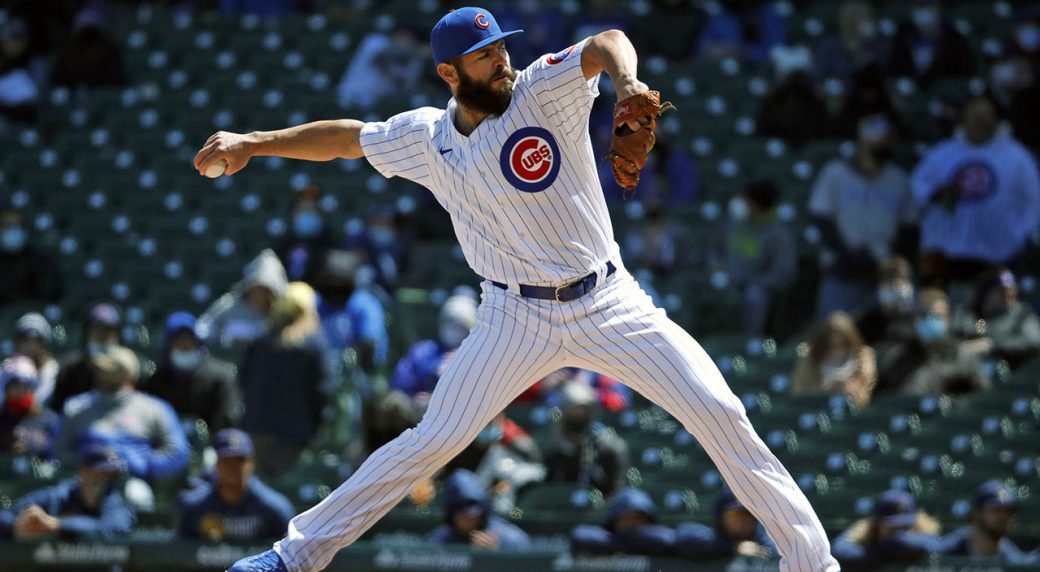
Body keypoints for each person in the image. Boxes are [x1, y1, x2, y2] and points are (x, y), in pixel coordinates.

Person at [196, 9, 839, 571]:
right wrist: (255, 143)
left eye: (503, 46)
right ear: (450, 74)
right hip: (512, 317)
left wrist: (630, 83)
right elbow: (345, 139)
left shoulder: (541, 90)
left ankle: (812, 564)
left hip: (607, 302)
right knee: (431, 441)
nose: (503, 60)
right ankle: (294, 555)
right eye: (486, 55)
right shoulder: (426, 136)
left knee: (721, 414)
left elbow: (607, 39)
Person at [911, 95, 1040, 287]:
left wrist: (1019, 233)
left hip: (998, 258)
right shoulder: (943, 153)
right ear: (964, 119)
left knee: (984, 317)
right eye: (975, 116)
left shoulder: (1017, 156)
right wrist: (933, 193)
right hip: (947, 258)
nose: (981, 122)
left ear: (996, 120)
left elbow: (1034, 199)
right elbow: (917, 185)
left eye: (986, 117)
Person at [811, 115, 916, 317]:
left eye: (890, 139)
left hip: (885, 271)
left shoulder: (899, 178)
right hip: (843, 269)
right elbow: (822, 220)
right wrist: (847, 255)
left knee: (893, 329)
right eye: (882, 138)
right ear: (863, 139)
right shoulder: (835, 173)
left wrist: (893, 260)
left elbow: (909, 227)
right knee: (832, 328)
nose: (887, 144)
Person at [58, 345, 190, 482]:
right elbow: (58, 451)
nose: (101, 374)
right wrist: (88, 461)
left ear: (128, 375)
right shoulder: (76, 407)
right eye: (100, 369)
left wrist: (137, 462)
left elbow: (177, 454)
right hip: (84, 482)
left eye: (110, 370)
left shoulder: (154, 409)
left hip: (134, 484)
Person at [239, 282, 330, 478]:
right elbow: (322, 393)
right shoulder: (312, 343)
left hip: (257, 432)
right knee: (290, 495)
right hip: (294, 437)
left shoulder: (261, 340)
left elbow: (243, 381)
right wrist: (317, 430)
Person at [177, 429, 295, 542]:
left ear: (250, 464)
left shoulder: (276, 509)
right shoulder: (192, 507)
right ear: (216, 464)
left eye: (239, 460)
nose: (232, 467)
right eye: (226, 460)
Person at [0, 442, 135, 539]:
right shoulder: (57, 496)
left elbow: (115, 529)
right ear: (83, 472)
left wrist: (56, 525)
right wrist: (17, 527)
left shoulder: (114, 500)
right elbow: (5, 516)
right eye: (100, 473)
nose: (105, 479)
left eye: (111, 474)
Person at [716, 181, 797, 336]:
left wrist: (753, 281)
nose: (739, 203)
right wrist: (716, 265)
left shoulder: (777, 233)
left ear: (757, 206)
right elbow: (716, 249)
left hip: (756, 288)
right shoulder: (733, 223)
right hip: (726, 280)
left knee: (754, 297)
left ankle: (749, 341)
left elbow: (783, 273)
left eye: (745, 200)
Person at [140, 312, 242, 432]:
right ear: (168, 346)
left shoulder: (221, 375)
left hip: (210, 443)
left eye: (189, 342)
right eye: (179, 342)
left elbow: (228, 416)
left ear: (198, 343)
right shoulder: (154, 378)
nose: (185, 347)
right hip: (165, 442)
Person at [877, 288, 990, 396]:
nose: (929, 320)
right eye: (923, 315)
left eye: (936, 316)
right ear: (914, 319)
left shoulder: (963, 359)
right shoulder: (898, 359)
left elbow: (980, 400)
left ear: (948, 320)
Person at [390, 292, 478, 406]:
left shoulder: (476, 358)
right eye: (449, 321)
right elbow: (399, 386)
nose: (452, 328)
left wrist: (437, 400)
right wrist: (413, 400)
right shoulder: (423, 351)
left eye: (460, 325)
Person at [544, 381, 629, 496]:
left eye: (582, 412)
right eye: (571, 412)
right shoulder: (554, 451)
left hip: (598, 509)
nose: (576, 417)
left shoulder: (611, 448)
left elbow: (618, 490)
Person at [312, 249, 388, 376]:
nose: (333, 289)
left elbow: (370, 345)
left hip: (356, 374)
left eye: (339, 284)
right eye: (328, 283)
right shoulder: (316, 302)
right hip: (318, 371)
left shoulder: (364, 304)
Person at [832, 489, 943, 571]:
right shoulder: (866, 541)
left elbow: (949, 542)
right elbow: (839, 549)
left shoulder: (923, 542)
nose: (899, 531)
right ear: (877, 524)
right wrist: (879, 552)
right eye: (892, 527)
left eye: (905, 526)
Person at [199, 249, 288, 347]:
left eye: (265, 291)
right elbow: (204, 329)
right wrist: (226, 339)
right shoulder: (228, 304)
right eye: (257, 289)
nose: (260, 295)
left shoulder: (281, 314)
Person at [938, 480, 1039, 564]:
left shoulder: (1012, 558)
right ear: (977, 513)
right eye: (996, 510)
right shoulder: (954, 545)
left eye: (1009, 511)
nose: (1004, 516)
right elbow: (927, 545)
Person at [51, 302, 127, 413]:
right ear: (86, 331)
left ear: (118, 332)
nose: (102, 334)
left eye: (108, 329)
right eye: (97, 328)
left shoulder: (129, 366)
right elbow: (58, 406)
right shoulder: (70, 367)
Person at [426, 469, 530, 550]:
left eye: (474, 513)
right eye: (462, 515)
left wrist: (496, 557)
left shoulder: (512, 540)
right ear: (451, 514)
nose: (469, 518)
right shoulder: (439, 540)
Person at [791, 312, 877, 408]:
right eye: (830, 346)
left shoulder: (864, 356)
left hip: (850, 411)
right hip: (816, 409)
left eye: (843, 345)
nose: (837, 351)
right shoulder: (807, 356)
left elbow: (866, 395)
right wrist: (823, 390)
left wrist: (853, 391)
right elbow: (798, 392)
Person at [887, 0, 973, 87]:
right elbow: (891, 75)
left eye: (929, 4)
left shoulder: (956, 40)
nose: (924, 10)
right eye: (919, 5)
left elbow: (965, 77)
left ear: (940, 7)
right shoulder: (901, 36)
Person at [755, 46, 827, 148]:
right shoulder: (775, 98)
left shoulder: (813, 98)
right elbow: (763, 129)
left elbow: (821, 130)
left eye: (799, 76)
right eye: (792, 77)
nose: (796, 81)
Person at [673, 489, 776, 560]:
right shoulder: (712, 539)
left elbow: (775, 552)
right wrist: (733, 547)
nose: (743, 522)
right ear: (721, 518)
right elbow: (683, 534)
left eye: (748, 516)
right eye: (736, 516)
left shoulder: (766, 542)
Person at [570, 487, 677, 556]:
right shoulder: (595, 551)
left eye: (638, 519)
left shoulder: (667, 551)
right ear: (614, 522)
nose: (632, 523)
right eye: (626, 518)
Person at [0, 207, 63, 307]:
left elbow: (48, 296)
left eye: (19, 225)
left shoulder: (42, 262)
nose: (14, 230)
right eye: (8, 225)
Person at [0, 356, 60, 458]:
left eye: (26, 387)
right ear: (6, 390)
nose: (21, 392)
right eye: (16, 386)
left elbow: (58, 453)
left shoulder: (50, 420)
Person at [277, 185, 338, 284]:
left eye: (311, 209)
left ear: (320, 214)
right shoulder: (284, 245)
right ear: (293, 214)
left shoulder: (332, 243)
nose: (306, 213)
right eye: (302, 209)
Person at [854, 256, 917, 349]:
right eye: (889, 283)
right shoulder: (864, 323)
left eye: (900, 283)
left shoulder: (917, 322)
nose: (896, 289)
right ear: (880, 288)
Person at [814, 1, 886, 82]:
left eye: (868, 17)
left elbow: (879, 74)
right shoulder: (829, 45)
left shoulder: (876, 44)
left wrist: (858, 53)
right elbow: (819, 75)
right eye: (860, 18)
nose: (867, 22)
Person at [698, 0, 786, 65]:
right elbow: (702, 50)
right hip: (720, 74)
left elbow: (777, 54)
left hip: (757, 75)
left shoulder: (768, 15)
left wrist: (743, 53)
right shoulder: (719, 16)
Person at [13, 311, 60, 406]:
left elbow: (39, 403)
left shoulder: (54, 372)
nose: (30, 346)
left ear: (45, 345)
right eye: (25, 340)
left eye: (36, 341)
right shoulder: (6, 370)